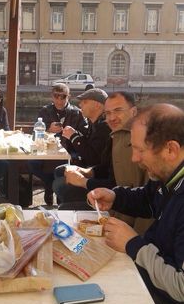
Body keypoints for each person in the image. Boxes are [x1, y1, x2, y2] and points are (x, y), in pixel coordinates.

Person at [87, 104, 184, 304]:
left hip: (161, 302)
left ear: (171, 149)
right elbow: (148, 199)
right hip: (145, 270)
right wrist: (115, 196)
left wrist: (134, 245)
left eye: (141, 150)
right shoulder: (167, 174)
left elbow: (181, 289)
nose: (134, 159)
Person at [53, 92, 152, 235]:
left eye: (118, 111)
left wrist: (84, 182)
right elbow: (108, 167)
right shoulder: (116, 134)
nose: (111, 118)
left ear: (134, 111)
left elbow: (124, 186)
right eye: (108, 113)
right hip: (118, 201)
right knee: (60, 175)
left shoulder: (127, 137)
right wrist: (89, 172)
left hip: (122, 215)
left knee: (63, 194)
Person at [28, 83, 88, 205]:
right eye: (56, 96)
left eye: (63, 96)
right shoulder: (45, 111)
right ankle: (49, 184)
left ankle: (59, 194)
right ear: (52, 97)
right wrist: (48, 129)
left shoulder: (77, 113)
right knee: (31, 162)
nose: (59, 100)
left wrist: (73, 133)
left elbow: (85, 135)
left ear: (68, 97)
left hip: (70, 150)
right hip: (46, 150)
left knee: (67, 163)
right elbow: (33, 134)